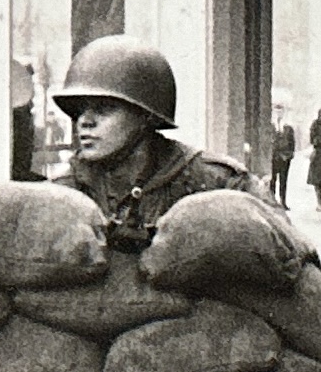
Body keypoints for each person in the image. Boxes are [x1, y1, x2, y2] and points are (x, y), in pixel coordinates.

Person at [48, 36, 265, 249]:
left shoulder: (219, 182)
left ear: (146, 116)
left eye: (104, 108)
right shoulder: (66, 191)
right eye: (80, 110)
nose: (85, 121)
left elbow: (287, 256)